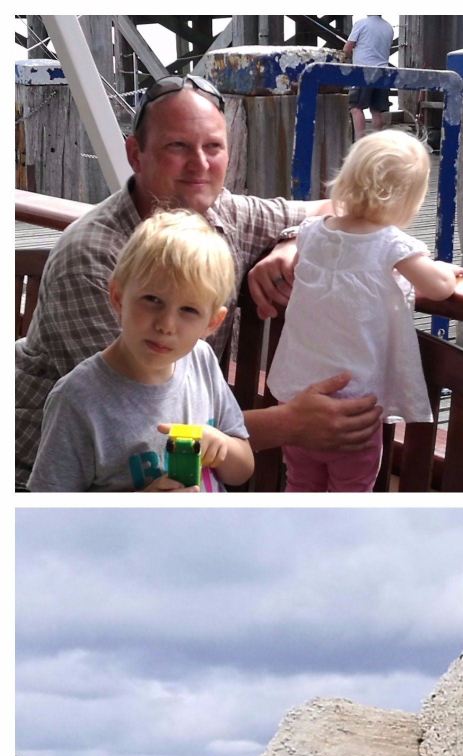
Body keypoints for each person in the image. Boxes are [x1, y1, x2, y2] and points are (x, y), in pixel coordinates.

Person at [15, 74, 383, 490]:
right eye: (177, 146)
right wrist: (291, 423)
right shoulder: (93, 258)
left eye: (213, 147)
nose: (200, 164)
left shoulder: (224, 213)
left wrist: (293, 240)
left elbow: (342, 207)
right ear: (135, 154)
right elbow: (139, 426)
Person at [266, 130, 463, 491]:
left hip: (299, 401)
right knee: (351, 490)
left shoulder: (312, 232)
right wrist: (446, 270)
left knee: (301, 484)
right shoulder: (390, 244)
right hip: (353, 411)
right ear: (408, 199)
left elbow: (302, 268)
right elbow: (437, 288)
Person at [29, 210, 254, 492]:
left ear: (212, 322)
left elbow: (242, 469)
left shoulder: (202, 361)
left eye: (188, 310)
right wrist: (139, 508)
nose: (166, 325)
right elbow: (50, 516)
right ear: (118, 298)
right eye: (152, 299)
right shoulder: (78, 399)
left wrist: (222, 447)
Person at [344, 15, 394, 136]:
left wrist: (352, 55)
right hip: (383, 72)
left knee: (356, 108)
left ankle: (360, 143)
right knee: (376, 110)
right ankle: (376, 144)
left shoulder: (361, 23)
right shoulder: (389, 27)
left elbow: (346, 49)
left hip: (364, 71)